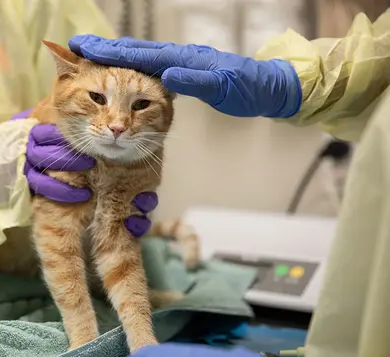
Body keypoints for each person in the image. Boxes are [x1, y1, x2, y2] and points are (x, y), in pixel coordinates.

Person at [22, 9, 390, 357]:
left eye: (141, 105)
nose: (118, 124)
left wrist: (145, 345)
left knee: (122, 242)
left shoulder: (146, 154)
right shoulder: (56, 134)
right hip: (16, 265)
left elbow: (118, 249)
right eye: (98, 99)